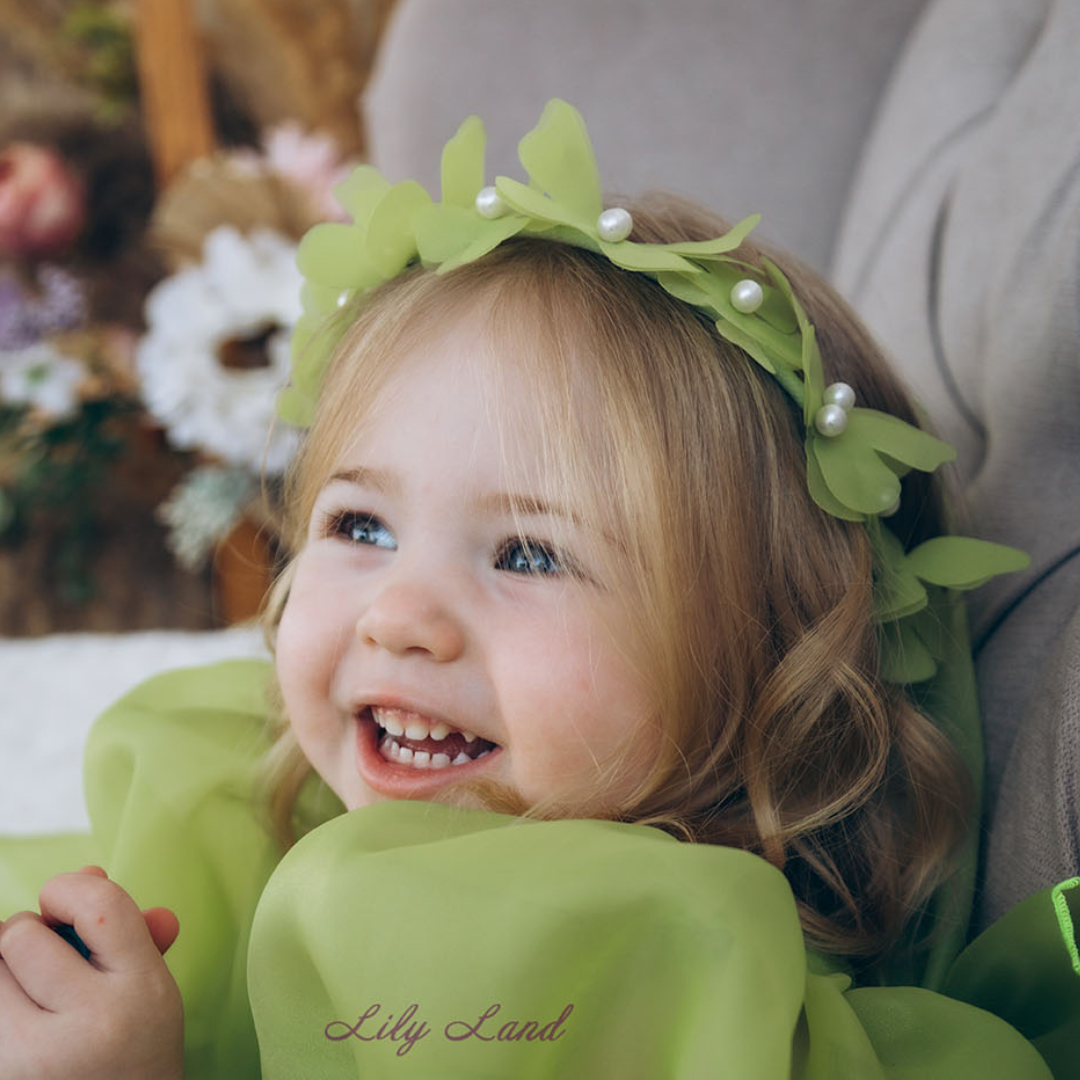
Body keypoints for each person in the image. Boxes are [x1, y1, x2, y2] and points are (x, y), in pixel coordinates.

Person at [0, 100, 1074, 1079]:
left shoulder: (669, 979)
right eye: (360, 524)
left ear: (762, 654)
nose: (399, 618)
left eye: (528, 554)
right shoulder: (228, 833)